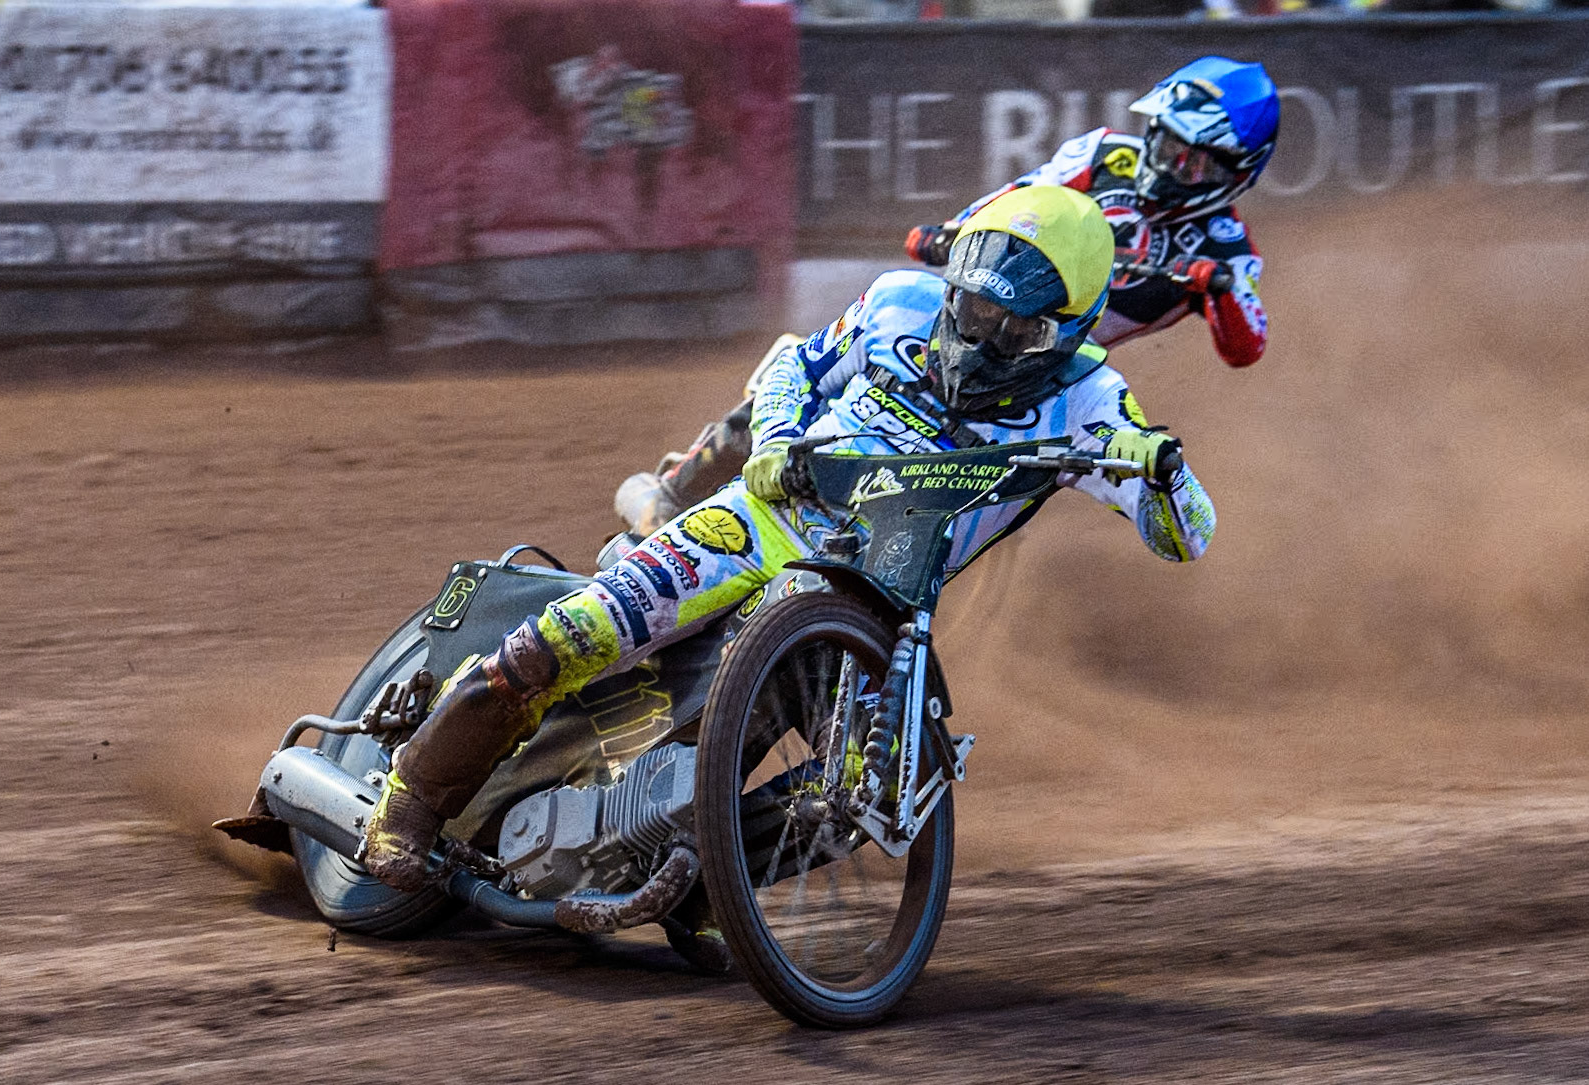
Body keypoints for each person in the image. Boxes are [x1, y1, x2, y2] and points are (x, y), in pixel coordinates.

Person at [362, 184, 1217, 892]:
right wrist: (774, 441)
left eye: (1011, 328)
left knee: (890, 780)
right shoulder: (895, 304)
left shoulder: (1094, 403)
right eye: (969, 308)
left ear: (1070, 330)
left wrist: (1165, 472)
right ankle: (407, 806)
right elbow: (791, 366)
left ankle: (707, 889)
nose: (978, 336)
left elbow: (1185, 538)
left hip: (876, 599)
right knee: (580, 629)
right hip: (761, 522)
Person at [614, 55, 1277, 538]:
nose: (1171, 164)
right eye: (1167, 142)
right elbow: (1020, 199)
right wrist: (956, 235)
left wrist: (1213, 285)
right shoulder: (1106, 157)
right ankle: (684, 482)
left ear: (1236, 174)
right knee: (832, 356)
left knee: (1008, 486)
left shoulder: (1225, 247)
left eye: (1195, 161)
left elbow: (1248, 345)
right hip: (982, 318)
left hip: (1050, 377)